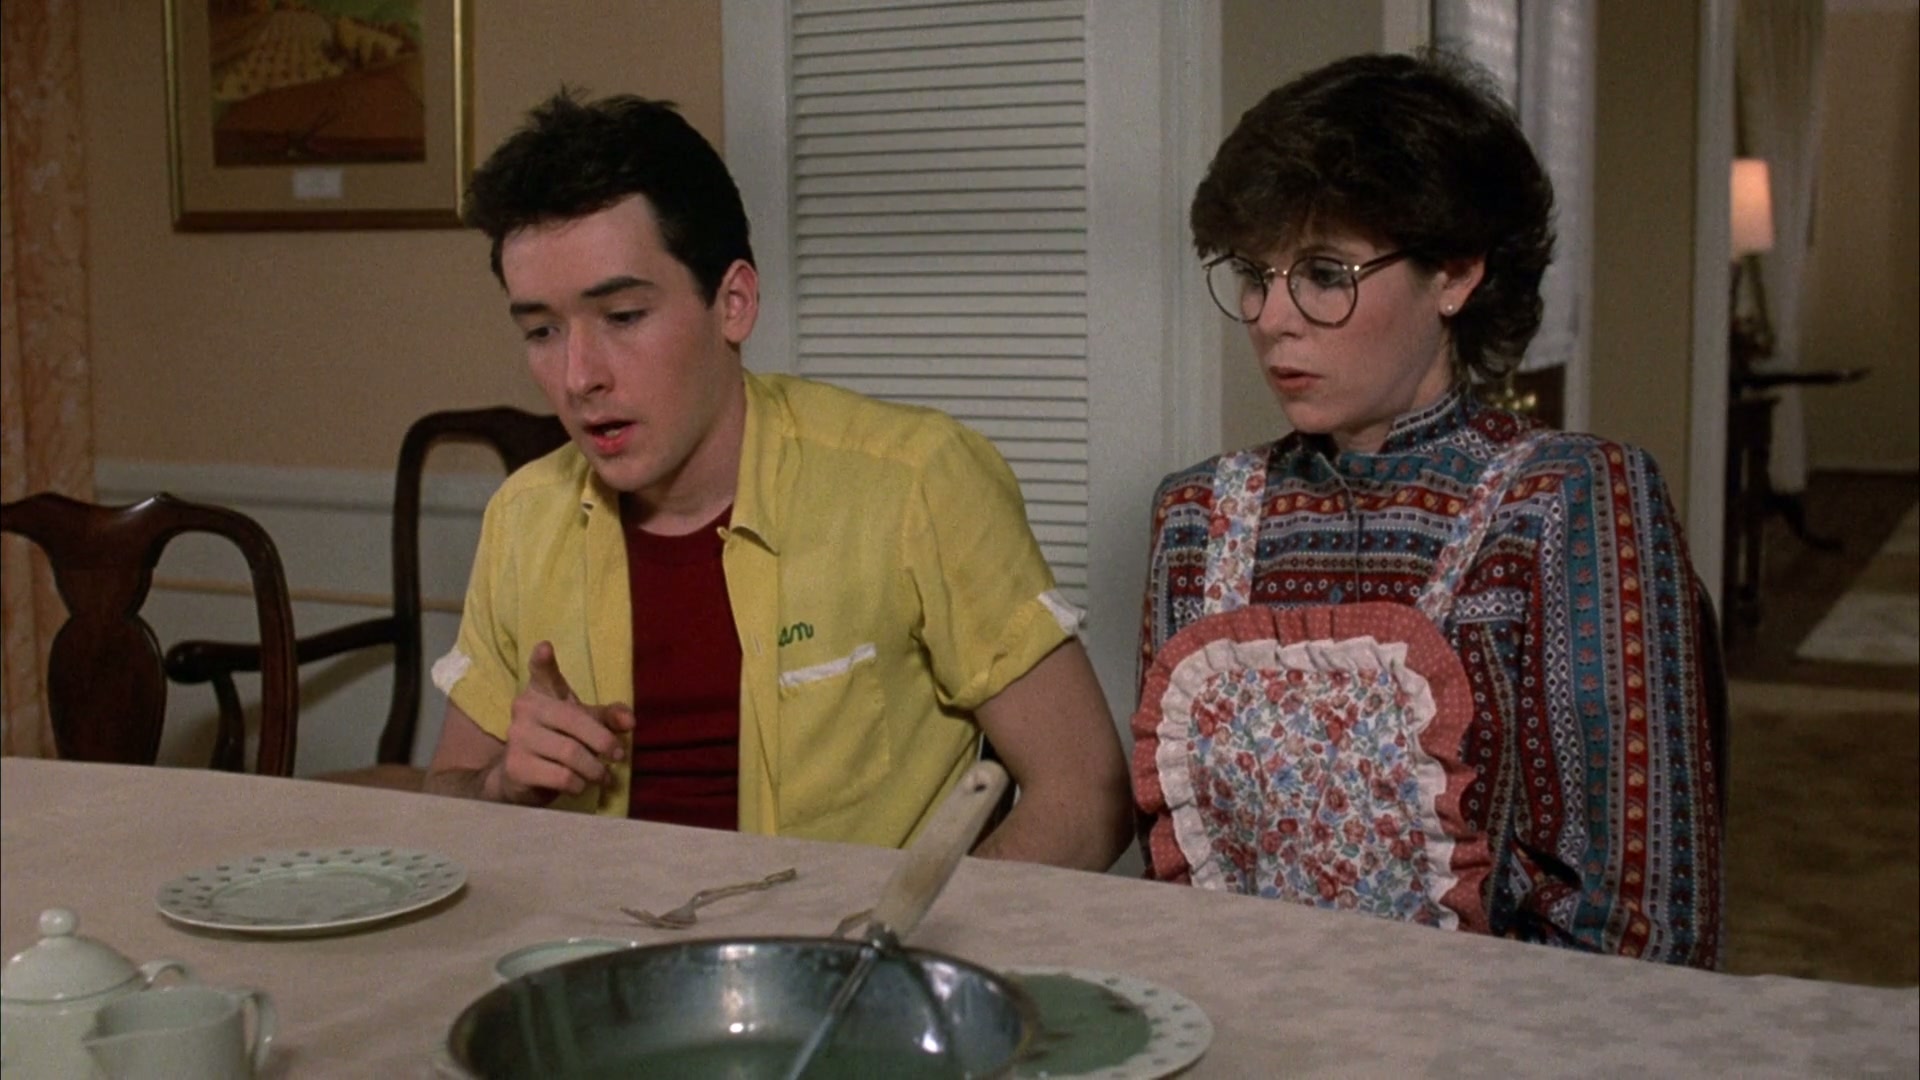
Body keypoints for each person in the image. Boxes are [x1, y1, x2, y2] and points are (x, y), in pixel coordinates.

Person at [423, 89, 1130, 872]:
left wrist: (913, 935)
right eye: (541, 331)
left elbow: (1086, 795)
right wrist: (502, 785)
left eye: (622, 316)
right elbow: (445, 798)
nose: (578, 376)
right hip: (591, 936)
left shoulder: (915, 481)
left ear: (733, 303)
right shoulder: (524, 518)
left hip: (848, 944)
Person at [1131, 51, 1721, 966]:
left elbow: (1636, 927)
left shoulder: (1565, 500)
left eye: (1324, 273)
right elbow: (1174, 861)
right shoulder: (1197, 517)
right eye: (1254, 272)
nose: (1272, 317)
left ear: (1455, 273)